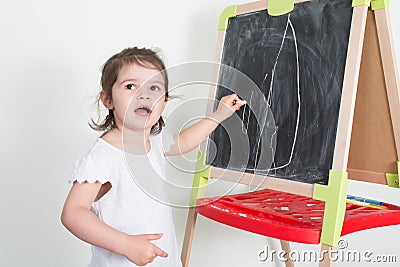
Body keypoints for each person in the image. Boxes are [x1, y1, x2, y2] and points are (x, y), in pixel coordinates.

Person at [61, 47, 245, 267]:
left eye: (154, 88)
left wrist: (219, 116)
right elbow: (73, 213)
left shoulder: (154, 140)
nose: (144, 94)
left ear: (164, 101)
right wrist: (126, 244)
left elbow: (184, 142)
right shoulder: (104, 157)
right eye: (131, 86)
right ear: (108, 99)